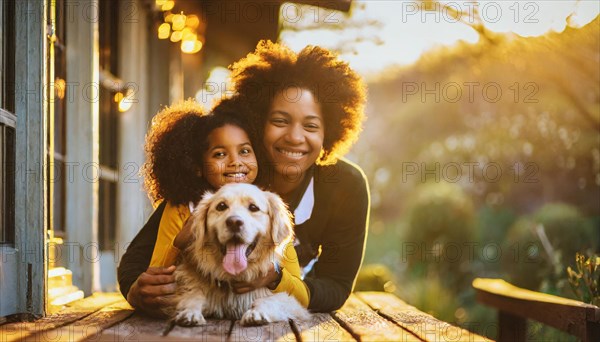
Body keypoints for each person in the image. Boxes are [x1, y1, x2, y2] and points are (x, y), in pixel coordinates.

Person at [118, 40, 369, 315]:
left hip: (284, 313)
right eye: (280, 121)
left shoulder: (346, 186)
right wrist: (136, 291)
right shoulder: (226, 177)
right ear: (257, 123)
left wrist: (277, 281)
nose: (295, 137)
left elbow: (336, 285)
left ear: (329, 132)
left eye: (311, 125)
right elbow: (134, 264)